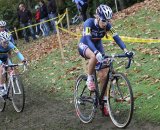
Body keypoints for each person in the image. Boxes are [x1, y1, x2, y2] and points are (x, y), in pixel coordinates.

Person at [78, 4, 133, 116]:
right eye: (103, 20)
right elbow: (88, 40)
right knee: (94, 56)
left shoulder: (107, 26)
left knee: (104, 73)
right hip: (85, 45)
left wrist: (126, 50)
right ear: (97, 17)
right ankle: (89, 78)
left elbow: (116, 37)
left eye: (108, 21)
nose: (105, 23)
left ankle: (103, 101)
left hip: (97, 45)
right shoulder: (88, 23)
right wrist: (96, 53)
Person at [0, 31, 26, 97]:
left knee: (11, 67)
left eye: (7, 42)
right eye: (4, 42)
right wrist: (1, 64)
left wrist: (23, 59)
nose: (6, 44)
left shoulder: (10, 44)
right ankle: (1, 87)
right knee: (1, 69)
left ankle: (11, 78)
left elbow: (17, 52)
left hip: (5, 58)